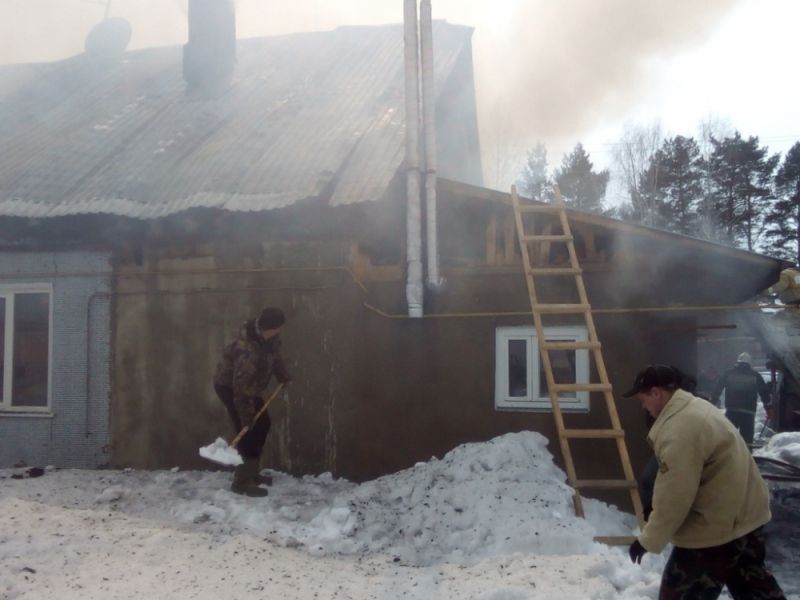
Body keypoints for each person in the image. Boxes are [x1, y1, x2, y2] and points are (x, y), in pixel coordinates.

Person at [624, 364, 785, 599]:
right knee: (754, 588)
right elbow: (686, 476)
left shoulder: (680, 427)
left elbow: (676, 494)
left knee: (679, 593)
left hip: (716, 527)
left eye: (643, 399)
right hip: (744, 517)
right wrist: (656, 506)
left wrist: (648, 539)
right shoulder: (694, 408)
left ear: (656, 393)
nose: (643, 406)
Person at [213, 307, 292, 496]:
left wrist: (283, 375)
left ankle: (252, 472)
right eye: (278, 327)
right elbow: (241, 390)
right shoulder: (246, 350)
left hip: (250, 386)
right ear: (269, 327)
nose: (279, 331)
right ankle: (241, 482)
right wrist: (247, 417)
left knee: (263, 424)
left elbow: (274, 355)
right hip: (230, 388)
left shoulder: (267, 338)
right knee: (248, 430)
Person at [713, 352, 773, 444]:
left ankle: (727, 456)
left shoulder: (728, 373)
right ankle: (746, 456)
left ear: (738, 362)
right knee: (747, 442)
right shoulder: (755, 375)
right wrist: (769, 409)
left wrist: (713, 401)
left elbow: (717, 388)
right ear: (750, 363)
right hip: (748, 413)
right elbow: (764, 393)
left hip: (732, 411)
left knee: (727, 438)